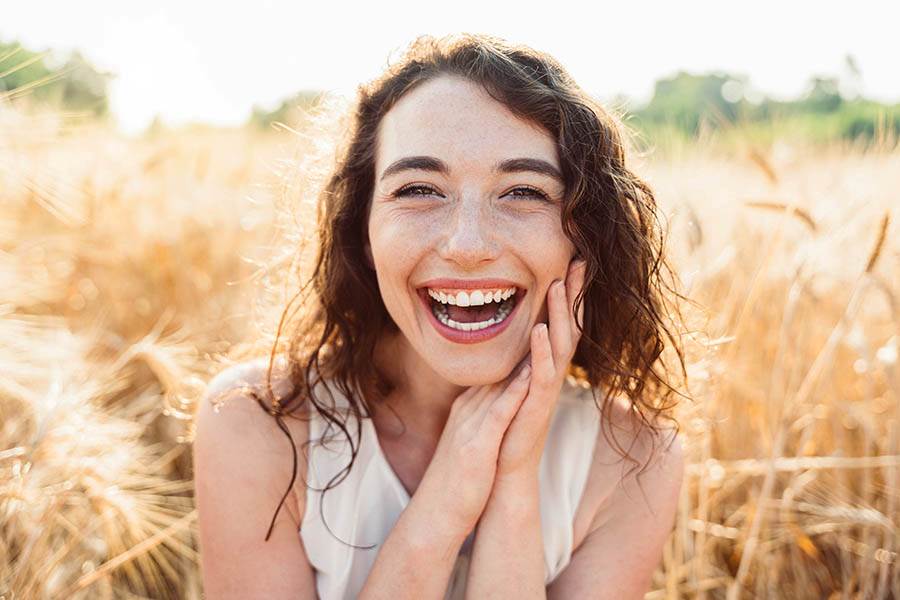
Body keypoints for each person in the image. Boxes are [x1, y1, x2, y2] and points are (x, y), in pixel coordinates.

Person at [193, 32, 689, 599]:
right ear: (364, 229)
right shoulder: (259, 425)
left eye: (524, 192)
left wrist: (514, 483)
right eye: (421, 189)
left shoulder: (634, 459)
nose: (468, 244)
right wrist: (447, 499)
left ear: (587, 236)